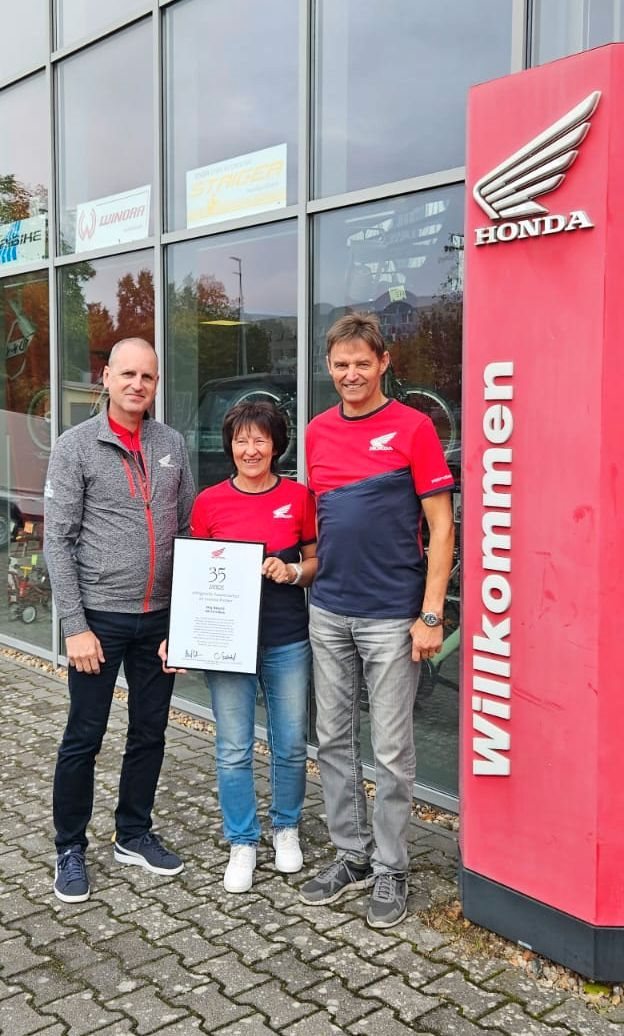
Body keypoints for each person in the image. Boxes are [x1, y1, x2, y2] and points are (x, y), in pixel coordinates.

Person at [300, 312, 455, 929]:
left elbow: (442, 526)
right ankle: (351, 855)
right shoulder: (316, 432)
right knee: (333, 740)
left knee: (392, 750)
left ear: (384, 363)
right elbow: (321, 520)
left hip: (392, 616)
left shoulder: (414, 428)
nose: (351, 374)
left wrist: (431, 614)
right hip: (328, 611)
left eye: (362, 363)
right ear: (329, 367)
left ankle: (392, 867)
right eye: (341, 364)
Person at [44, 337, 195, 904]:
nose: (137, 384)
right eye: (127, 374)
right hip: (99, 623)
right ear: (105, 377)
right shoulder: (76, 446)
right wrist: (75, 626)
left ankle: (133, 833)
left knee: (149, 733)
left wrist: (184, 620)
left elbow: (187, 530)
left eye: (147, 377)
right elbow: (58, 541)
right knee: (84, 737)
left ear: (156, 384)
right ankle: (69, 848)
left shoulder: (171, 444)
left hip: (158, 621)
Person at [161, 400, 317, 894]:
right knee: (232, 749)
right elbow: (194, 577)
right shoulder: (209, 503)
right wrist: (180, 635)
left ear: (276, 446)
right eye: (241, 440)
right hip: (226, 646)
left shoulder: (299, 497)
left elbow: (316, 561)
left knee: (290, 745)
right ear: (230, 446)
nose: (250, 450)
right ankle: (243, 840)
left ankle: (286, 827)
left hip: (286, 639)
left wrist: (292, 571)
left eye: (260, 440)